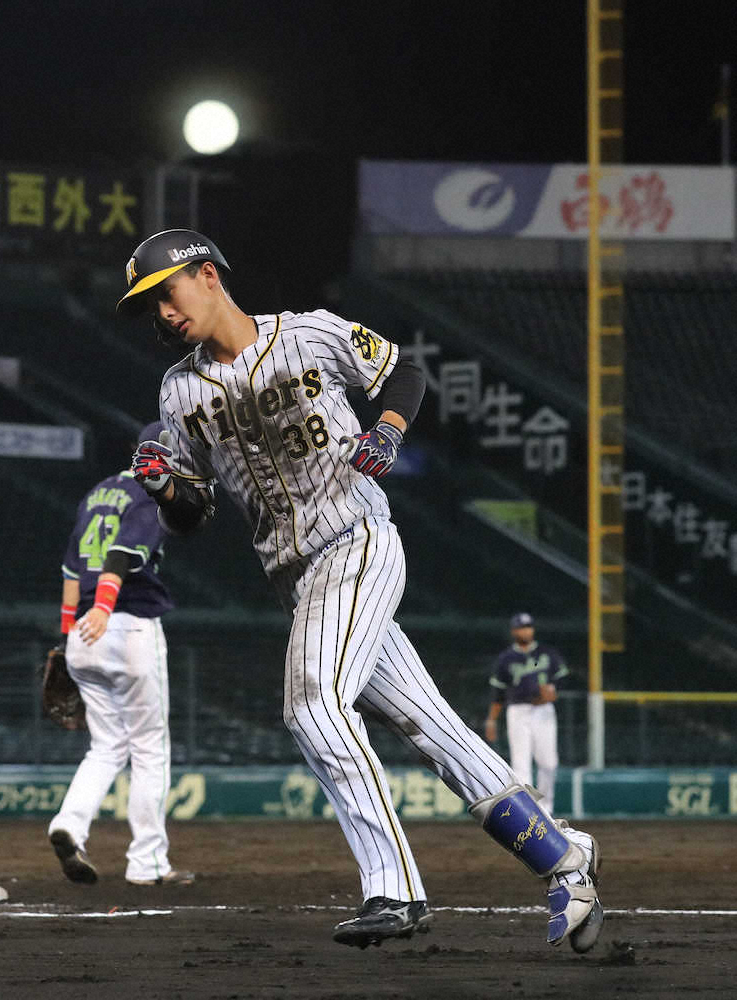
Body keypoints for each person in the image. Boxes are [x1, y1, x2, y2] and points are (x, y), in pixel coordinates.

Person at [118, 228, 603, 952]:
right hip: (298, 581)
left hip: (357, 541)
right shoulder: (178, 390)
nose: (161, 311)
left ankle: (394, 887)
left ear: (209, 275)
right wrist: (165, 488)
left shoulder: (306, 334)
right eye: (149, 304)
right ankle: (564, 860)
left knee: (313, 705)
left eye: (166, 291)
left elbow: (403, 371)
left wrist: (390, 430)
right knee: (434, 729)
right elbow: (192, 515)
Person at [47, 422, 195, 887]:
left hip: (83, 634)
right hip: (125, 624)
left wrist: (68, 637)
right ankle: (147, 863)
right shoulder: (150, 492)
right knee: (150, 750)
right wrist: (105, 608)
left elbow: (72, 573)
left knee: (106, 747)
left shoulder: (96, 494)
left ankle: (69, 825)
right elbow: (121, 553)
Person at [485, 612, 570, 814]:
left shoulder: (547, 653)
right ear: (514, 631)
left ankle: (546, 810)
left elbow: (562, 678)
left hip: (543, 711)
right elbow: (498, 693)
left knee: (549, 763)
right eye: (521, 628)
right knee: (521, 765)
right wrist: (492, 720)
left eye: (528, 627)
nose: (525, 631)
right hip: (518, 711)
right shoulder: (506, 659)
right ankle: (528, 812)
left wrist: (554, 691)